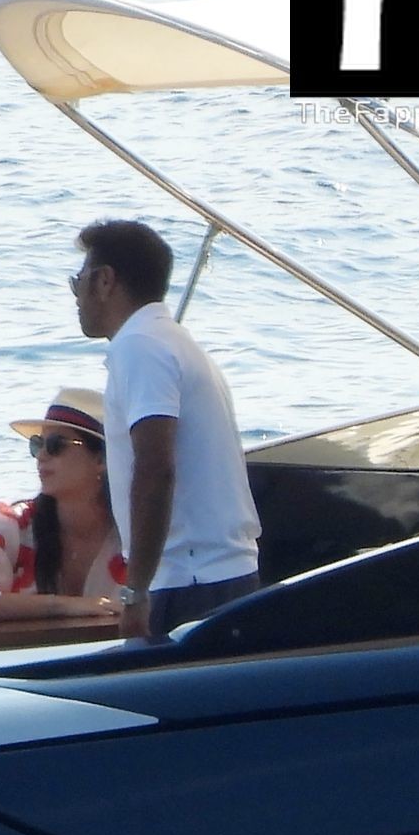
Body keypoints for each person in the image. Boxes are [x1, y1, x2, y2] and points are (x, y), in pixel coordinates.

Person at [70, 219, 260, 640]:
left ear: (105, 281)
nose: (76, 296)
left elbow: (155, 467)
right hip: (219, 575)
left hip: (189, 582)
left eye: (77, 282)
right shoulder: (173, 341)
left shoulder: (140, 347)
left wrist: (135, 591)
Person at [0, 387, 125, 631]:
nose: (41, 456)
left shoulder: (135, 535)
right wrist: (68, 606)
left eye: (56, 445)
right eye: (37, 445)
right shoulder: (12, 525)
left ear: (101, 459)